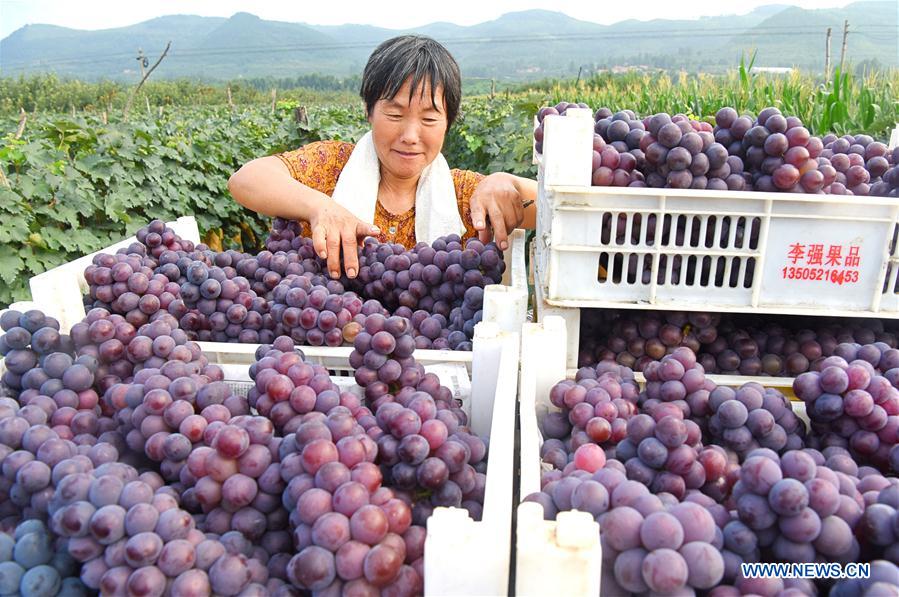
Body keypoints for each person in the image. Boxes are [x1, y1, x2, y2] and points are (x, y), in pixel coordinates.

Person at [228, 35, 536, 280]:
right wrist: (320, 207)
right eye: (394, 113)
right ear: (369, 111)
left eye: (429, 120)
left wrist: (507, 182)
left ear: (448, 123)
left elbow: (557, 208)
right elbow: (246, 180)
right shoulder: (330, 167)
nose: (411, 135)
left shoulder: (467, 196)